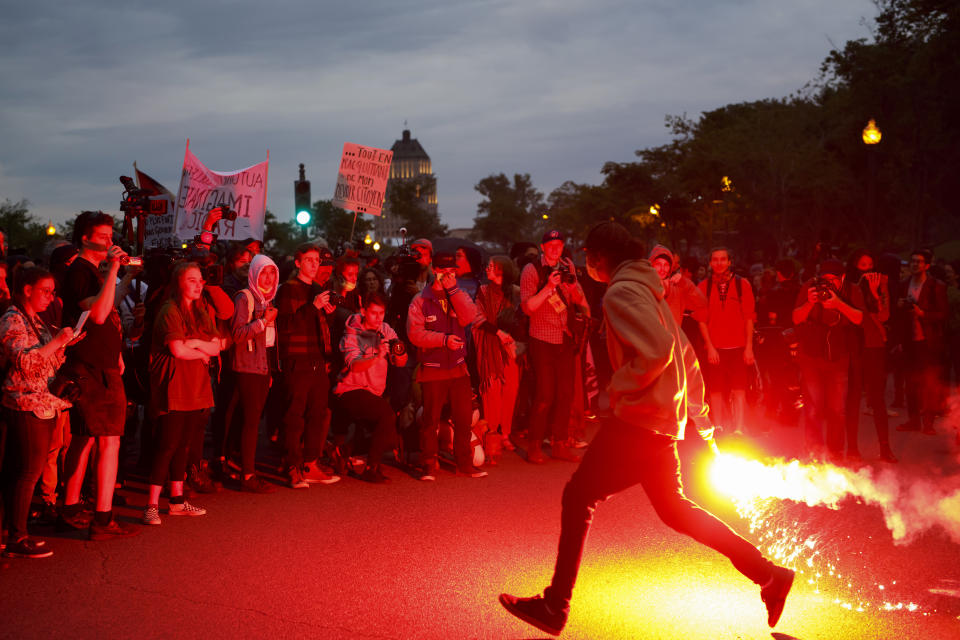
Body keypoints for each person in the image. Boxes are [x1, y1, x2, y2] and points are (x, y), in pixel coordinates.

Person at [499, 222, 794, 636]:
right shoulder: (649, 289)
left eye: (588, 256)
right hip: (661, 419)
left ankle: (554, 606)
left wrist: (614, 393)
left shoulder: (623, 291)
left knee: (578, 496)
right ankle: (770, 576)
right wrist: (697, 416)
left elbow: (657, 351)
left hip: (640, 419)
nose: (586, 263)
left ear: (601, 257)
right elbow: (685, 353)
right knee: (676, 511)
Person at [57, 211, 139, 540]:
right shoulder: (79, 270)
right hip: (90, 367)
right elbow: (100, 314)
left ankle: (71, 506)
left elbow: (108, 303)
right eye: (104, 236)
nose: (110, 241)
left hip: (100, 364)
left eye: (111, 235)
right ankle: (102, 518)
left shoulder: (91, 272)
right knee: (109, 441)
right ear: (85, 238)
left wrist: (126, 278)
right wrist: (116, 269)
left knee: (85, 437)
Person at [0, 268, 77, 558]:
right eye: (45, 290)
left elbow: (46, 361)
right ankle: (18, 537)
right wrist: (56, 343)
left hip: (41, 401)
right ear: (27, 289)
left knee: (24, 471)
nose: (50, 297)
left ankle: (14, 533)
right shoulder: (13, 318)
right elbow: (23, 361)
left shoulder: (35, 319)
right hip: (24, 402)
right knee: (26, 473)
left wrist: (64, 344)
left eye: (53, 291)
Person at [142, 262, 220, 524]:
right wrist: (201, 352)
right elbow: (177, 349)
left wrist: (196, 344)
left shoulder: (200, 311)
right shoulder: (169, 310)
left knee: (184, 447)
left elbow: (217, 347)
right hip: (174, 386)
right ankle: (151, 504)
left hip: (196, 387)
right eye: (192, 280)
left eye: (200, 280)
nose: (199, 284)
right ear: (179, 283)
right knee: (167, 446)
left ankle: (176, 500)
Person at [407, 251, 485, 479]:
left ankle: (464, 463)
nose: (450, 276)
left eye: (453, 272)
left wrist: (453, 292)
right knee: (431, 419)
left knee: (463, 418)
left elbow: (469, 317)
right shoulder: (420, 299)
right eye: (444, 272)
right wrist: (442, 340)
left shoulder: (457, 293)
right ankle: (428, 464)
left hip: (459, 367)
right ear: (435, 270)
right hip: (432, 368)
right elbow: (415, 334)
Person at [519, 230, 587, 463]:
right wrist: (548, 286)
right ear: (542, 247)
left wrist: (571, 290)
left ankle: (559, 443)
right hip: (541, 337)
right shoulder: (531, 270)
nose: (555, 249)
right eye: (551, 245)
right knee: (545, 394)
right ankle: (535, 445)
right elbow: (528, 307)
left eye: (559, 245)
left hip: (565, 336)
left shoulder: (567, 265)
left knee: (566, 393)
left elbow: (579, 299)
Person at [275, 243, 340, 488]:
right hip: (297, 359)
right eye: (309, 260)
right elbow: (287, 326)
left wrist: (329, 312)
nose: (315, 264)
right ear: (298, 263)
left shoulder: (317, 288)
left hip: (317, 359)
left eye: (317, 260)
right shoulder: (289, 289)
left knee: (318, 413)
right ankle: (293, 465)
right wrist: (313, 307)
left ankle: (310, 463)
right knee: (294, 415)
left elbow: (323, 328)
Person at [332, 292, 407, 483]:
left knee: (390, 435)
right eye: (374, 313)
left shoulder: (386, 330)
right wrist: (377, 356)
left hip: (373, 392)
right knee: (386, 415)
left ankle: (344, 450)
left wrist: (398, 352)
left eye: (381, 313)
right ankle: (371, 468)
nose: (378, 318)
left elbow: (401, 362)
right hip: (349, 389)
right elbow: (354, 365)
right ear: (364, 311)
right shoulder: (351, 334)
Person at [792, 259, 864, 461]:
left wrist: (838, 304)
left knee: (837, 410)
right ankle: (814, 454)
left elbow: (860, 318)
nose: (828, 284)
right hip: (811, 355)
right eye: (825, 280)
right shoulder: (810, 287)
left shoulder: (852, 290)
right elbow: (796, 318)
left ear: (842, 278)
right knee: (813, 408)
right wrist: (810, 302)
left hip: (839, 356)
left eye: (833, 280)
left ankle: (835, 454)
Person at [227, 254, 281, 493]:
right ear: (253, 274)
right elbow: (237, 334)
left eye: (272, 273)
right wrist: (262, 321)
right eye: (263, 272)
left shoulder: (268, 300)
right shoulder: (245, 298)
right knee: (250, 422)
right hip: (247, 367)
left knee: (252, 421)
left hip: (261, 367)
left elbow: (268, 343)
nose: (268, 278)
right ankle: (247, 475)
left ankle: (243, 467)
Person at [844, 250, 896, 463]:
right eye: (862, 265)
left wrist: (876, 293)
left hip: (874, 345)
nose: (867, 270)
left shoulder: (881, 283)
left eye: (870, 265)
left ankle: (885, 448)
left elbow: (885, 315)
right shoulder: (848, 285)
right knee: (853, 399)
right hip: (854, 345)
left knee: (877, 399)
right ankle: (852, 448)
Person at [698, 247, 755, 435]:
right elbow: (701, 320)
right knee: (715, 390)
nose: (719, 263)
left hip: (738, 347)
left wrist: (749, 348)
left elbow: (749, 318)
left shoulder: (742, 284)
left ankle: (738, 428)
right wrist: (710, 347)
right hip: (716, 348)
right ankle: (719, 426)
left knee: (739, 389)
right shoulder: (703, 286)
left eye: (723, 259)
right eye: (715, 259)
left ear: (730, 262)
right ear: (710, 263)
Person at [895, 249, 948, 435]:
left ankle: (928, 422)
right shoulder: (904, 284)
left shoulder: (935, 286)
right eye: (912, 261)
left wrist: (923, 314)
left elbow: (943, 314)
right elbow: (898, 317)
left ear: (927, 265)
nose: (915, 265)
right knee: (910, 383)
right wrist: (900, 306)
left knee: (928, 382)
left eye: (919, 262)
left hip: (928, 341)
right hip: (910, 340)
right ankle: (913, 420)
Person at [473, 256, 521, 451]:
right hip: (490, 347)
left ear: (503, 270)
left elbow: (523, 317)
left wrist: (513, 338)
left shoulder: (515, 293)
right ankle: (492, 432)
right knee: (491, 390)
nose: (487, 269)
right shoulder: (483, 292)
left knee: (510, 390)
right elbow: (477, 317)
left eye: (492, 266)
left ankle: (506, 433)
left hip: (511, 348)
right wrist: (498, 333)